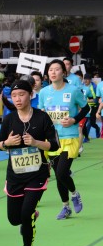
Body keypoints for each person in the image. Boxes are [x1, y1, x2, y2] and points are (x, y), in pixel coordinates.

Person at [0, 80, 59, 246]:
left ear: (30, 95)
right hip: (15, 175)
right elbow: (0, 145)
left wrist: (36, 143)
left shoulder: (42, 117)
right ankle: (30, 215)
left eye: (21, 94)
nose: (17, 99)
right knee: (14, 219)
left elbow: (55, 145)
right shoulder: (9, 119)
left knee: (26, 215)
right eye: (14, 96)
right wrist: (7, 143)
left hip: (37, 174)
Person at [38, 59, 89, 220]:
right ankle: (65, 206)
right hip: (52, 139)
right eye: (50, 70)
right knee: (58, 175)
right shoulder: (44, 92)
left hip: (69, 137)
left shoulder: (73, 90)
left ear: (64, 72)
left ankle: (75, 194)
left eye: (57, 69)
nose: (53, 72)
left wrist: (74, 119)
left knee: (61, 172)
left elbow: (86, 108)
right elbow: (41, 113)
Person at [81, 73, 100, 141]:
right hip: (84, 107)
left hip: (93, 107)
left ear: (90, 80)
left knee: (91, 123)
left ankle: (97, 128)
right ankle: (86, 137)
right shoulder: (81, 86)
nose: (85, 81)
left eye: (87, 79)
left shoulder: (93, 87)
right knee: (84, 122)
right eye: (85, 79)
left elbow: (96, 99)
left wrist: (87, 100)